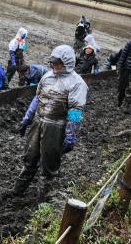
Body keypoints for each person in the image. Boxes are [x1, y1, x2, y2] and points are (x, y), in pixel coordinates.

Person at [14, 45, 88, 198]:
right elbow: (37, 98)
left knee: (49, 165)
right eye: (53, 63)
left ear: (67, 63)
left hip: (56, 127)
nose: (54, 66)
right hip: (38, 122)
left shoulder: (76, 83)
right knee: (30, 158)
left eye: (58, 63)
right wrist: (26, 119)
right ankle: (17, 192)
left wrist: (70, 135)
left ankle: (41, 202)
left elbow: (76, 111)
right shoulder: (47, 77)